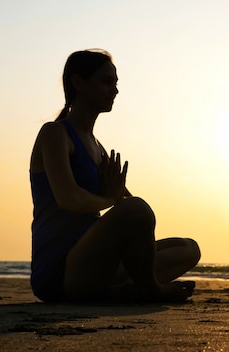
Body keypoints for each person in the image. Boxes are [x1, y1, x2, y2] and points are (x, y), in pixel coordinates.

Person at [29, 49, 200, 303]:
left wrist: (115, 200)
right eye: (106, 82)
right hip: (61, 273)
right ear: (78, 83)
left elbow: (126, 209)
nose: (115, 91)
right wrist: (110, 199)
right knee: (138, 208)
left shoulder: (98, 148)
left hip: (97, 264)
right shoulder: (55, 134)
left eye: (116, 83)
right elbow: (69, 199)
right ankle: (151, 290)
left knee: (189, 248)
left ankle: (127, 288)